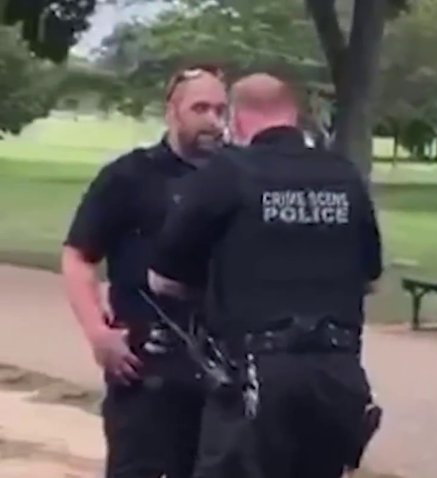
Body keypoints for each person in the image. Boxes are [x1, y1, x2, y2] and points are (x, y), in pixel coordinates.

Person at [146, 73, 383, 478]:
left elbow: (163, 278)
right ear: (294, 115)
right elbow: (371, 278)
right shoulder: (344, 175)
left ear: (236, 119)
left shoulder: (225, 173)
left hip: (256, 379)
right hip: (337, 377)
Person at [61, 65, 228, 477]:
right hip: (145, 367)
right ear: (171, 112)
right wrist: (99, 334)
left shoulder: (240, 176)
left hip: (225, 365)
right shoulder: (129, 176)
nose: (213, 120)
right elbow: (78, 256)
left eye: (221, 109)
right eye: (200, 108)